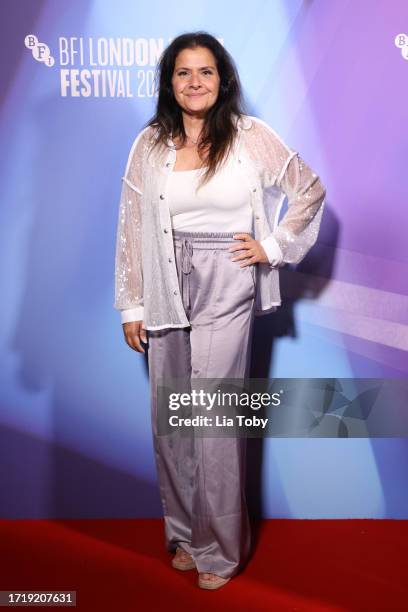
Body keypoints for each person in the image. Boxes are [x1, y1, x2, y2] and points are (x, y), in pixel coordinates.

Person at [114, 31, 326, 590]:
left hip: (226, 275)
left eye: (205, 72)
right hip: (164, 275)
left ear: (223, 79)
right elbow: (133, 227)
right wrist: (131, 303)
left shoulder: (251, 137)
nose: (194, 83)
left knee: (211, 416)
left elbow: (309, 191)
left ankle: (221, 550)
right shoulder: (150, 145)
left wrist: (272, 248)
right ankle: (185, 535)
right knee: (173, 418)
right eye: (183, 73)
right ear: (170, 82)